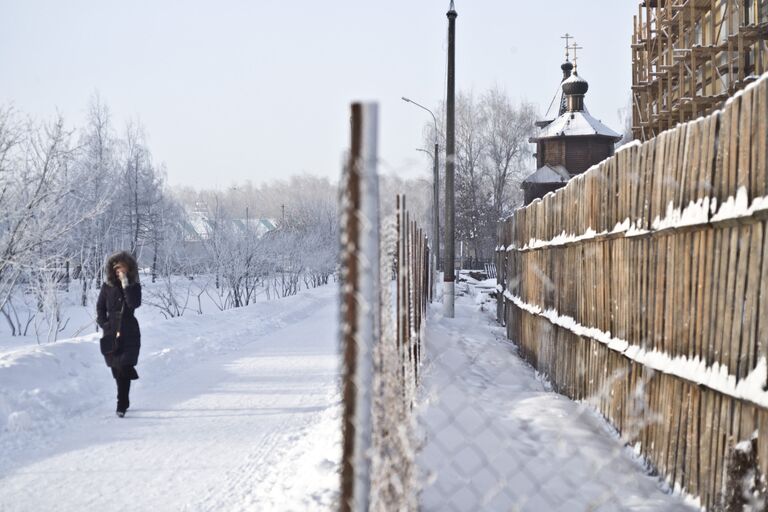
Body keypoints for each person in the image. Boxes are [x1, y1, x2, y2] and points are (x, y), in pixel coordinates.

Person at [96, 251, 142, 418]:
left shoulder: (134, 285)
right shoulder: (107, 286)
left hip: (129, 330)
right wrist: (104, 324)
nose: (118, 270)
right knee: (116, 368)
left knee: (124, 366)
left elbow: (134, 303)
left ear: (128, 267)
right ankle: (124, 399)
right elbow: (100, 307)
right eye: (115, 268)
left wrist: (125, 284)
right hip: (111, 332)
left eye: (120, 267)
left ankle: (121, 403)